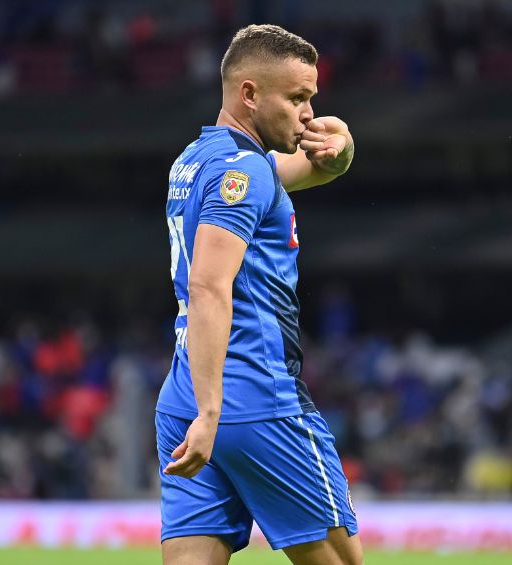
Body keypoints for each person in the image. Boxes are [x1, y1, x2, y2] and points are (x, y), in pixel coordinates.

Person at [155, 24, 361, 565]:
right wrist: (212, 411)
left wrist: (340, 147)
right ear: (249, 94)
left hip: (183, 393)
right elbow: (208, 285)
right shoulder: (245, 172)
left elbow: (315, 168)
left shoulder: (200, 159)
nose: (308, 114)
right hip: (252, 394)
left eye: (311, 98)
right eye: (297, 98)